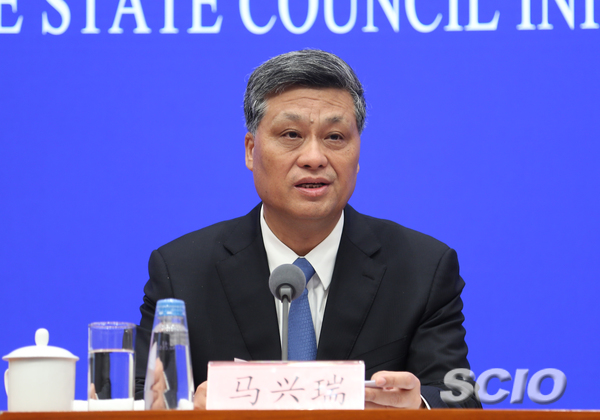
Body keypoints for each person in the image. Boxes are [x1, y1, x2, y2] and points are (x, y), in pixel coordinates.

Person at [135, 49, 481, 409]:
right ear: (251, 151)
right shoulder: (182, 272)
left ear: (358, 154)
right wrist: (187, 409)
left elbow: (458, 398)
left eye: (335, 137)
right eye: (291, 134)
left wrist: (419, 406)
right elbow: (140, 396)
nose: (314, 158)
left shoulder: (422, 269)